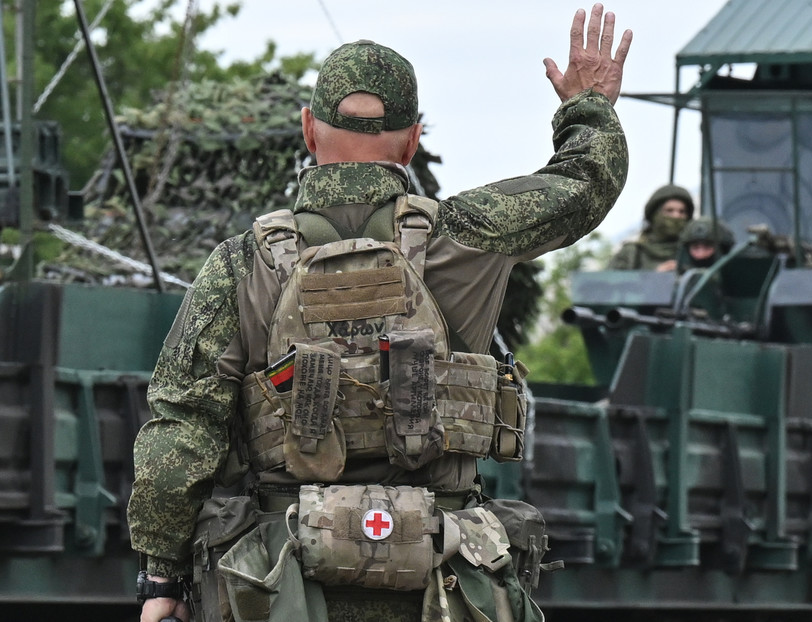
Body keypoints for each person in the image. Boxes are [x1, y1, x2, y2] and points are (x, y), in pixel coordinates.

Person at [128, 5, 632, 622]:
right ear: (414, 138)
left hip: (280, 583)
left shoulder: (241, 262)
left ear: (309, 129)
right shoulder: (468, 235)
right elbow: (585, 183)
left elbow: (181, 431)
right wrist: (589, 105)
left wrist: (162, 579)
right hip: (444, 575)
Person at [607, 182, 694, 271]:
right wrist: (653, 277)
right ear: (654, 215)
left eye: (682, 212)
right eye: (669, 210)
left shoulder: (697, 251)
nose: (676, 216)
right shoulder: (631, 254)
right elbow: (607, 283)